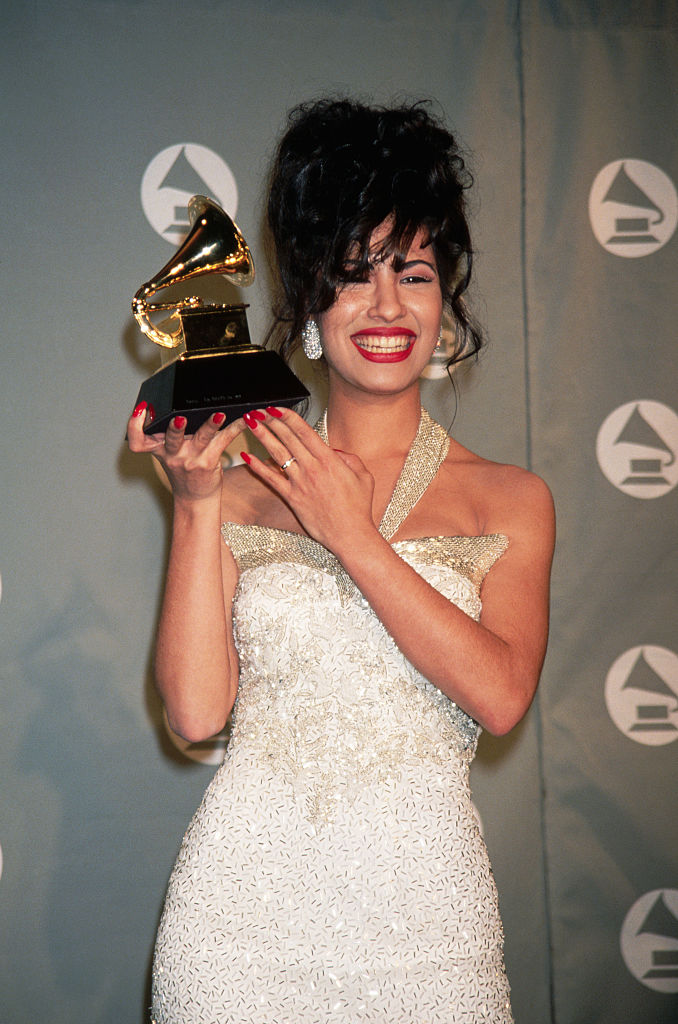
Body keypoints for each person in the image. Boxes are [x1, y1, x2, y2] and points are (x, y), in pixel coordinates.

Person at [128, 98, 555, 1024]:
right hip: (235, 935)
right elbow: (196, 715)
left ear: (446, 302)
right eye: (355, 275)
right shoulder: (237, 492)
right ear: (311, 302)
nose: (388, 305)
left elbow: (501, 695)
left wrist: (351, 534)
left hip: (430, 938)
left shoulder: (510, 500)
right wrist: (196, 506)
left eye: (415, 273)